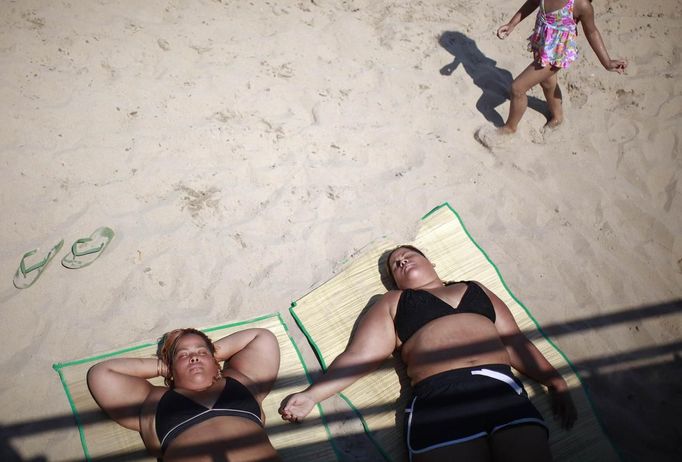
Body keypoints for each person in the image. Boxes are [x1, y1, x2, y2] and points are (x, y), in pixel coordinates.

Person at [280, 245, 576, 461]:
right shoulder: (394, 302)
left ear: (431, 261)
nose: (402, 261)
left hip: (501, 389)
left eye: (409, 256)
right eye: (395, 264)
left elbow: (514, 342)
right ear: (394, 281)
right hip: (440, 398)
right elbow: (361, 356)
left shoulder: (476, 289)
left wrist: (555, 381)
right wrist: (312, 395)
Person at [87, 327, 281, 461]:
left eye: (201, 352)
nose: (194, 356)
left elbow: (262, 337)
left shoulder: (242, 381)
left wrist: (212, 355)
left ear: (215, 361)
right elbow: (102, 374)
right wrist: (163, 367)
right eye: (183, 355)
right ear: (171, 369)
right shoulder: (154, 401)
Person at [477, 0, 627, 148]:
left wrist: (606, 62)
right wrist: (512, 24)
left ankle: (509, 129)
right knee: (547, 82)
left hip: (556, 54)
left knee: (517, 88)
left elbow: (592, 31)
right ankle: (557, 116)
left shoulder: (581, 5)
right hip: (543, 44)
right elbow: (531, 3)